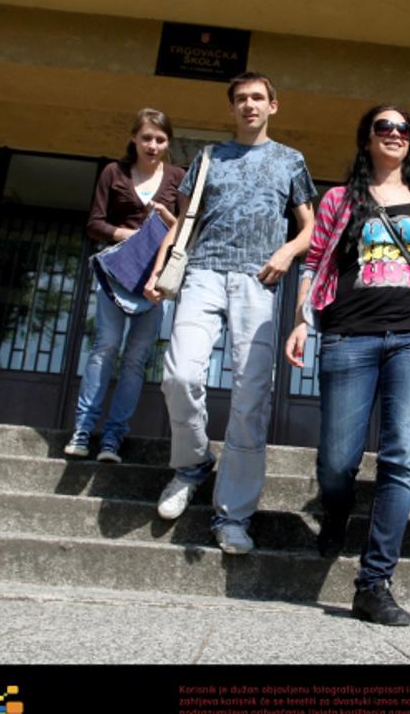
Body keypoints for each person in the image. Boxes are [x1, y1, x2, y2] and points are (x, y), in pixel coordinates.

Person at [283, 105, 410, 626]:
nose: (394, 134)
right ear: (366, 139)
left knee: (400, 458)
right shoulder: (340, 199)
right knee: (338, 461)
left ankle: (374, 580)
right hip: (349, 335)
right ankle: (336, 510)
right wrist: (302, 320)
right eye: (383, 127)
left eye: (403, 129)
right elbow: (315, 262)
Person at [144, 72, 316, 555]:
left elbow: (311, 228)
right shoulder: (208, 157)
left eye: (257, 98)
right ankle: (193, 463)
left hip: (257, 282)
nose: (249, 105)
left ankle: (233, 514)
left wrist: (286, 254)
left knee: (250, 394)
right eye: (240, 99)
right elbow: (183, 223)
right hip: (202, 272)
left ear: (273, 106)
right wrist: (159, 269)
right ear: (232, 107)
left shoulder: (290, 161)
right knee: (178, 375)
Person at [64, 109, 185, 464]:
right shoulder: (113, 173)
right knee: (106, 347)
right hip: (116, 274)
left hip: (154, 280)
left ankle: (113, 439)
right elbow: (94, 223)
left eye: (160, 139)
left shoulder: (177, 177)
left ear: (168, 143)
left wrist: (167, 219)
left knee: (135, 360)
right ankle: (83, 431)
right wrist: (128, 235)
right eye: (146, 137)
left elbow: (185, 230)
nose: (153, 145)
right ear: (134, 138)